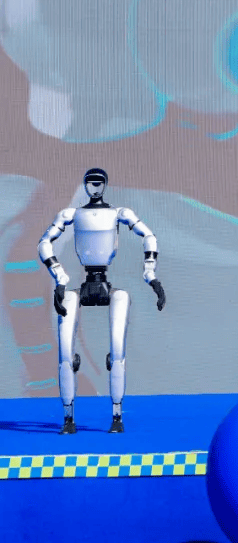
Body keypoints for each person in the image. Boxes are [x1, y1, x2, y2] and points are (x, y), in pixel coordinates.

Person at [38, 168, 166, 434]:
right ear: (85, 185)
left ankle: (117, 416)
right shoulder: (71, 214)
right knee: (65, 353)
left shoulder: (119, 213)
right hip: (81, 284)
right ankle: (68, 418)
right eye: (90, 182)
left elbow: (149, 237)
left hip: (108, 285)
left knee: (117, 351)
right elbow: (44, 244)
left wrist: (150, 274)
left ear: (105, 185)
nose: (94, 187)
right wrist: (60, 278)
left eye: (98, 183)